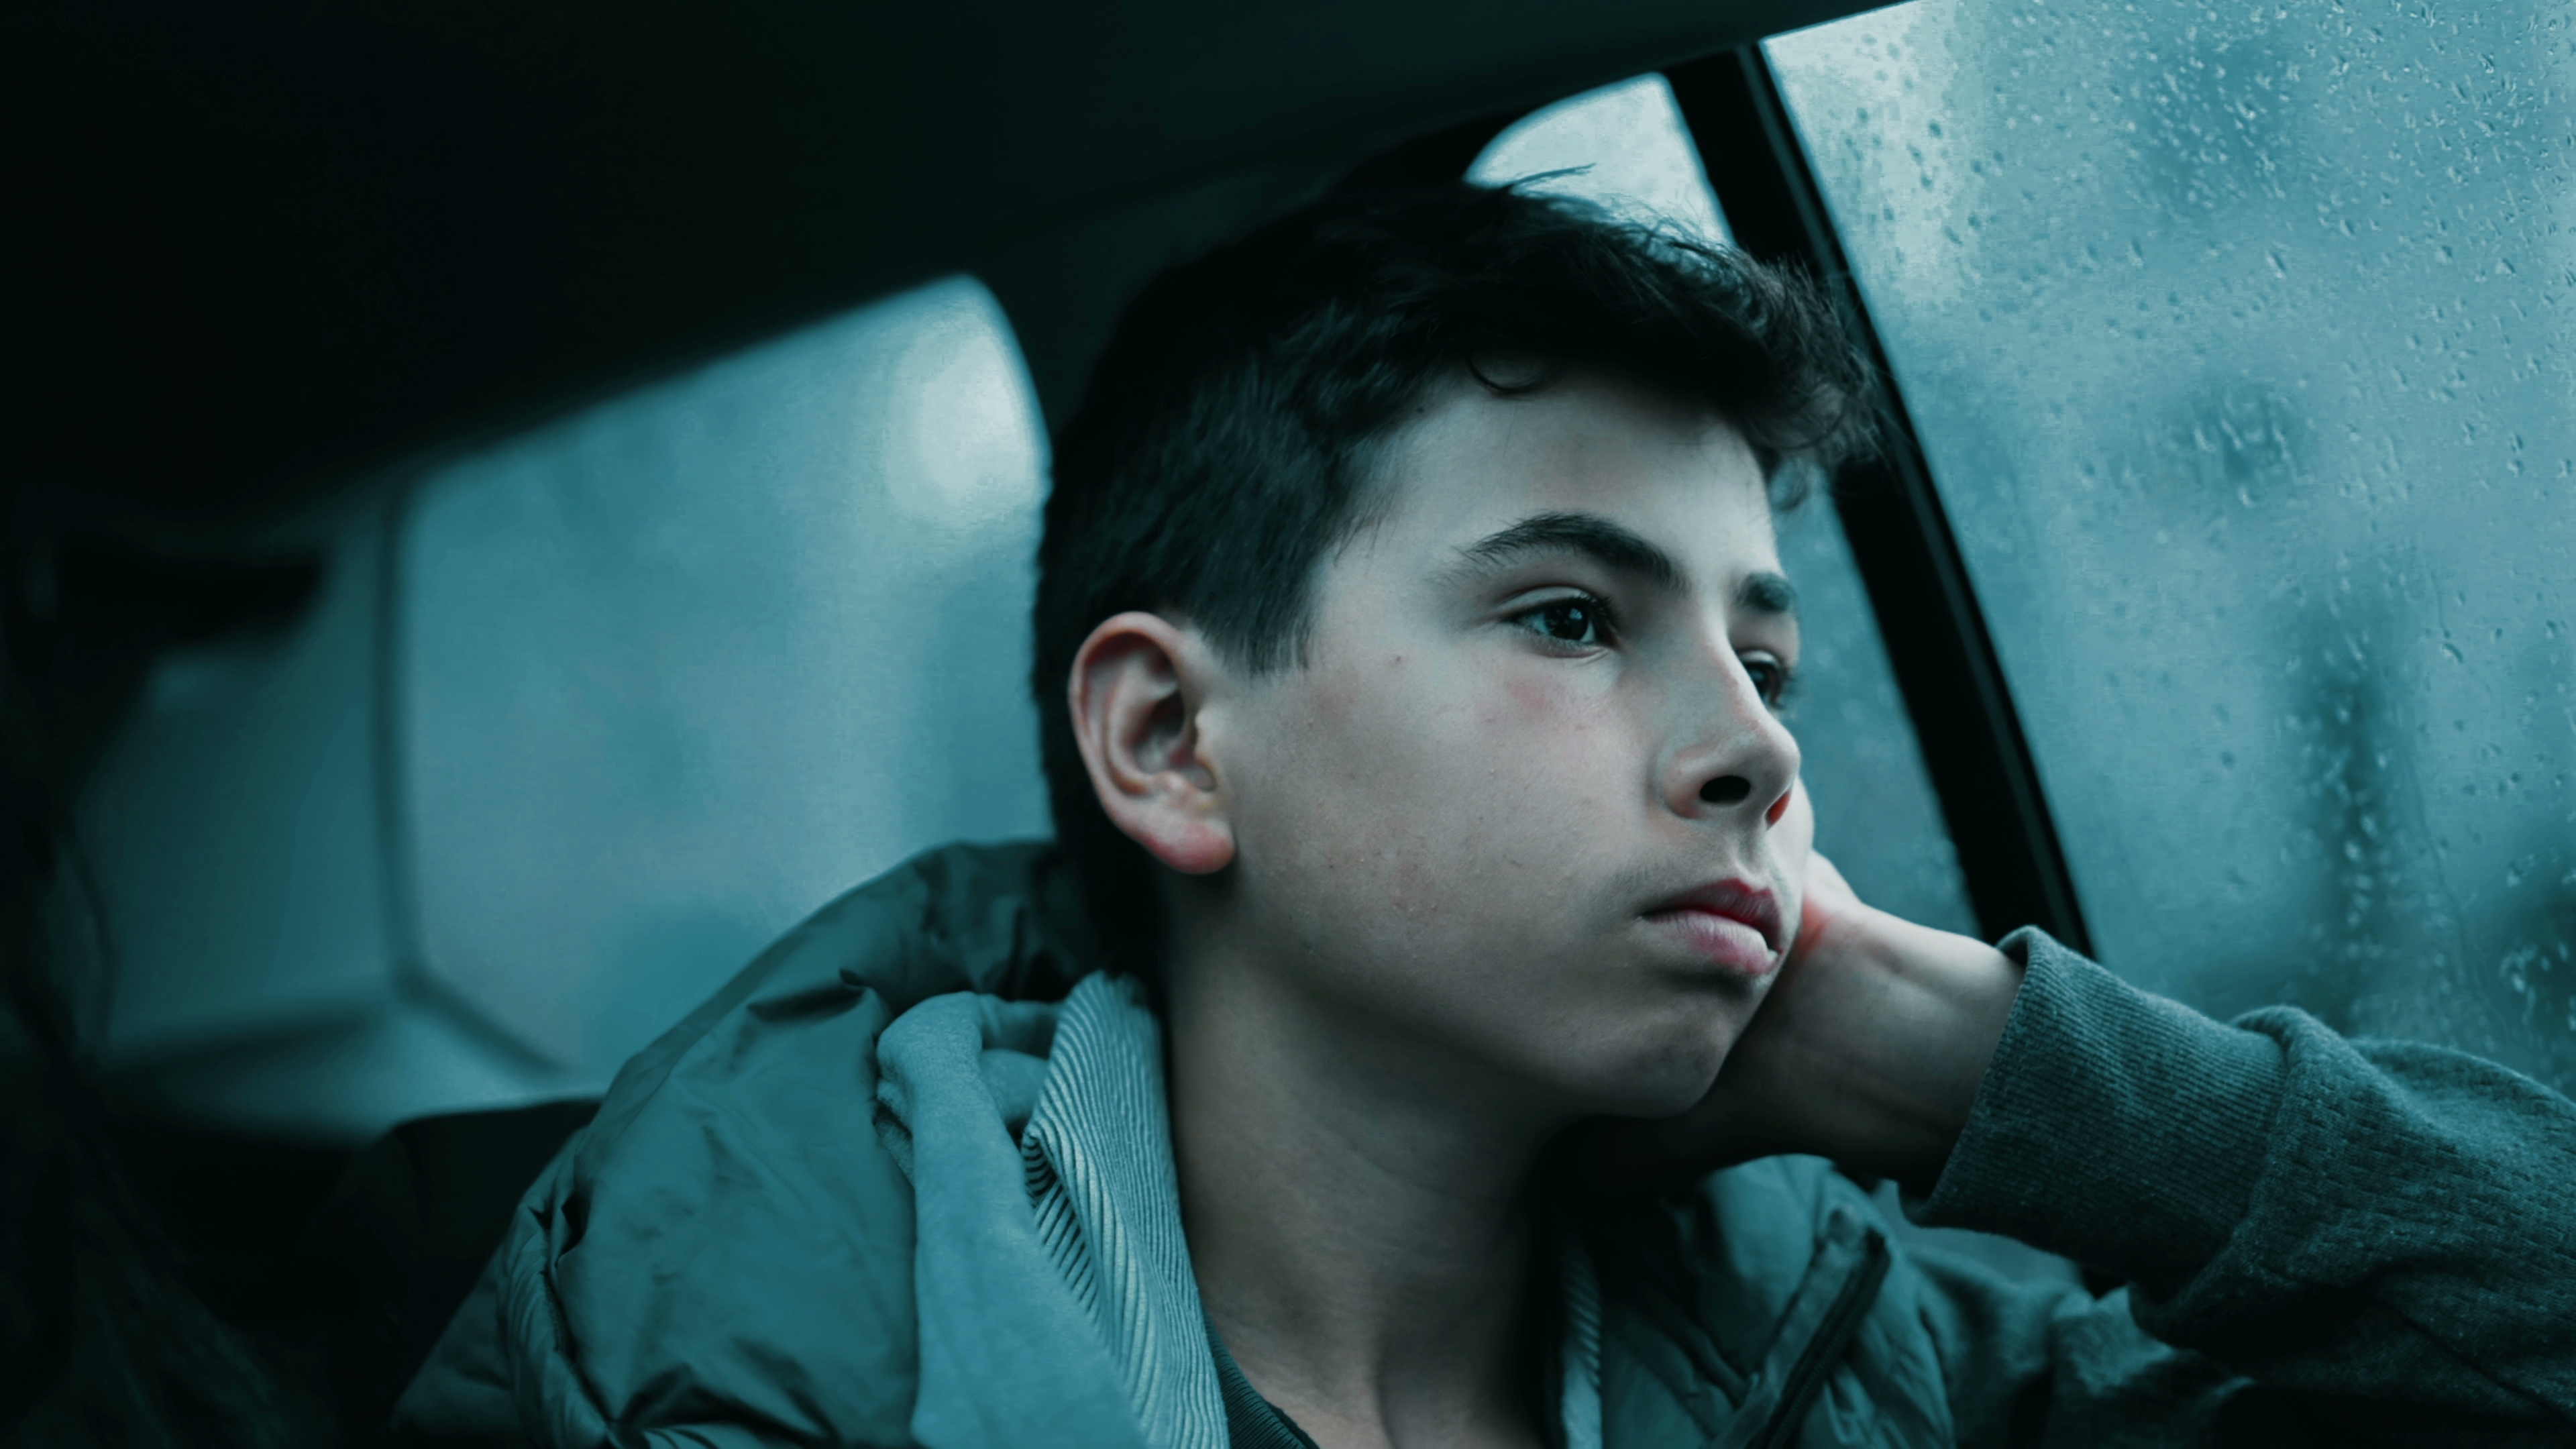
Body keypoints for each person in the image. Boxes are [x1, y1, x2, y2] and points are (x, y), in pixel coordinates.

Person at [392, 182, 2576, 1448]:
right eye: (1564, 614)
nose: (1756, 752)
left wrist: (1978, 1061)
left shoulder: (1859, 1368)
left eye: (1765, 655)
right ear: (1167, 744)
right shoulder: (741, 1368)